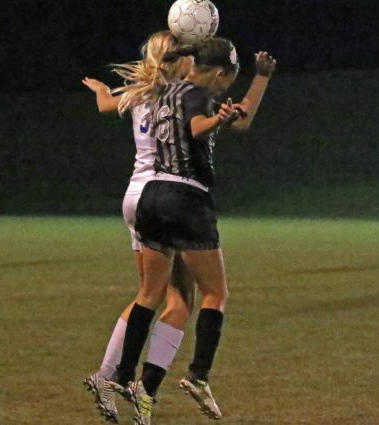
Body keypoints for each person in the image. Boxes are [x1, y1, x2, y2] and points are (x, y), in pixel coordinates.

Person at [112, 38, 276, 425]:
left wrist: (260, 79)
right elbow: (199, 126)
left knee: (153, 294)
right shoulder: (198, 94)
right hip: (186, 199)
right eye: (227, 80)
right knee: (216, 293)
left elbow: (243, 119)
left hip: (152, 196)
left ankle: (128, 379)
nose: (224, 89)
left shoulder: (166, 88)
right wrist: (217, 118)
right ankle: (198, 375)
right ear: (218, 73)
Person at [81, 31, 196, 424]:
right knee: (176, 300)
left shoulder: (139, 91)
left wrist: (99, 88)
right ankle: (136, 387)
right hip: (163, 199)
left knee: (155, 292)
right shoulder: (179, 94)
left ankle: (108, 375)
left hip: (134, 196)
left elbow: (103, 105)